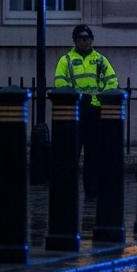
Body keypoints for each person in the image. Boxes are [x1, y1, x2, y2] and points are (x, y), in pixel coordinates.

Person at [54, 24, 117, 200]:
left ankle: (92, 190)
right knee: (71, 153)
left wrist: (99, 100)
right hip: (75, 112)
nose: (84, 40)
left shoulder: (100, 60)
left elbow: (112, 81)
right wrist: (75, 99)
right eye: (81, 37)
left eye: (87, 37)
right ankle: (68, 190)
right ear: (74, 40)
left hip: (95, 111)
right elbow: (60, 82)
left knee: (93, 154)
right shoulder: (65, 60)